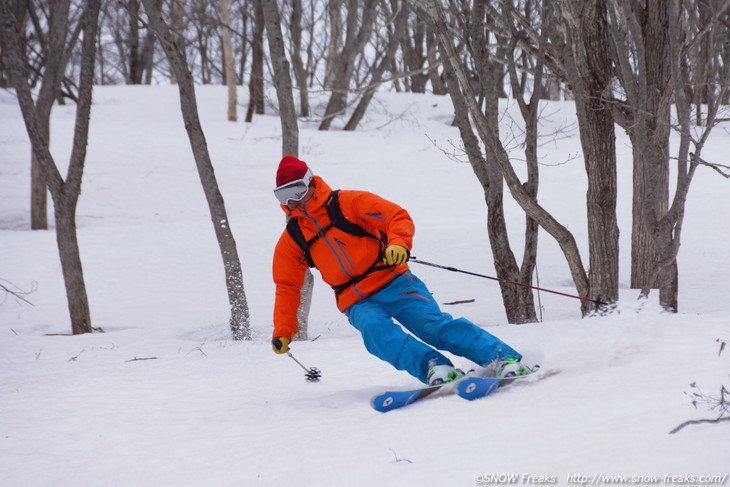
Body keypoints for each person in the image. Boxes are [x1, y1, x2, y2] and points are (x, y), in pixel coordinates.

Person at [270, 155, 531, 385]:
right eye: (283, 196)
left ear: (311, 183)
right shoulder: (294, 237)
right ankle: (433, 367)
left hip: (394, 281)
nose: (292, 201)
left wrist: (398, 244)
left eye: (296, 190)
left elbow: (396, 216)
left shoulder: (348, 202)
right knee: (377, 333)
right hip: (355, 299)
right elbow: (287, 285)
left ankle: (500, 357)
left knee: (431, 327)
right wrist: (283, 330)